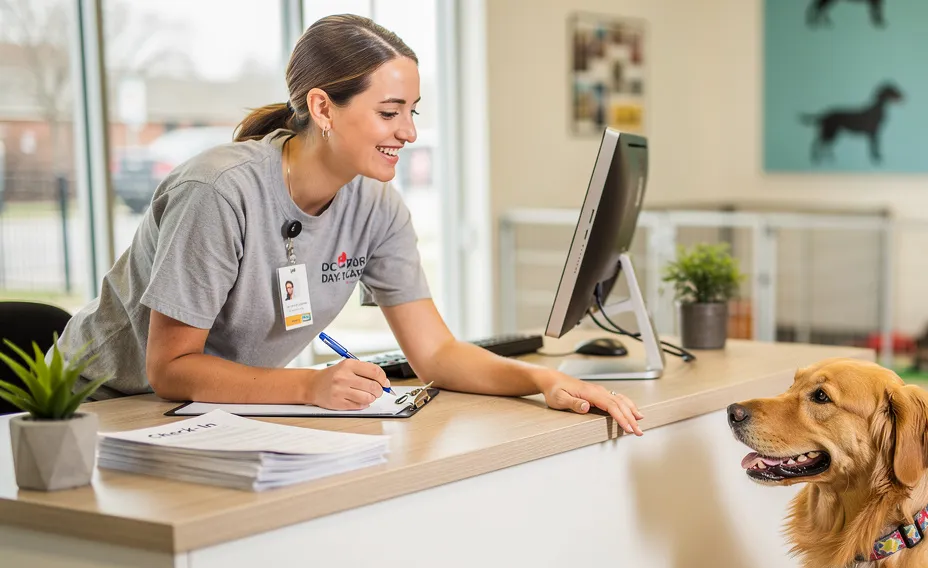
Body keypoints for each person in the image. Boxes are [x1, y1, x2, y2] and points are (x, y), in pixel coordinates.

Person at [56, 14, 644, 435]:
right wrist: (309, 386)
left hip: (210, 415)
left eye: (412, 112)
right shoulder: (219, 192)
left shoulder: (377, 207)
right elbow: (170, 367)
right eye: (390, 113)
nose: (409, 133)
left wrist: (541, 382)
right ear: (322, 108)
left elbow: (435, 352)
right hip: (92, 408)